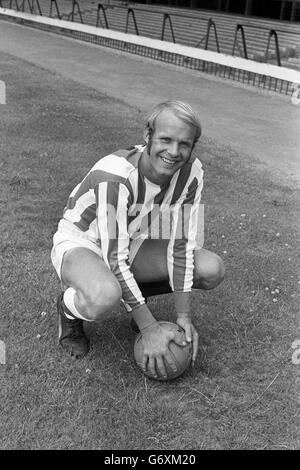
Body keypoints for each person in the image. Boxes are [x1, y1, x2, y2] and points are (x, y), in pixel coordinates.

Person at [51, 100, 225, 379]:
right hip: (83, 242)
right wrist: (149, 327)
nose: (173, 152)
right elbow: (114, 259)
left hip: (131, 241)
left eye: (184, 144)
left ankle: (134, 296)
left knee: (209, 269)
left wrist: (183, 317)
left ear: (193, 146)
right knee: (104, 295)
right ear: (148, 135)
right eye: (165, 140)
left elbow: (181, 246)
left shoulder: (192, 173)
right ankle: (69, 308)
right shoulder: (116, 175)